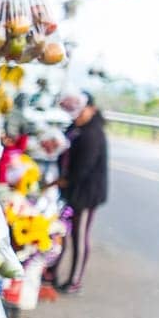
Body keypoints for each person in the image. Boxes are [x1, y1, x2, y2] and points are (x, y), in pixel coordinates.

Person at [54, 91, 108, 294]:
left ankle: (75, 280)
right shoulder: (76, 127)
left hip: (85, 194)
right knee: (64, 231)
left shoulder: (92, 133)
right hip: (72, 190)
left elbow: (82, 168)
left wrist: (63, 181)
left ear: (91, 109)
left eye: (80, 111)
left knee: (79, 235)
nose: (76, 115)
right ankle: (53, 270)